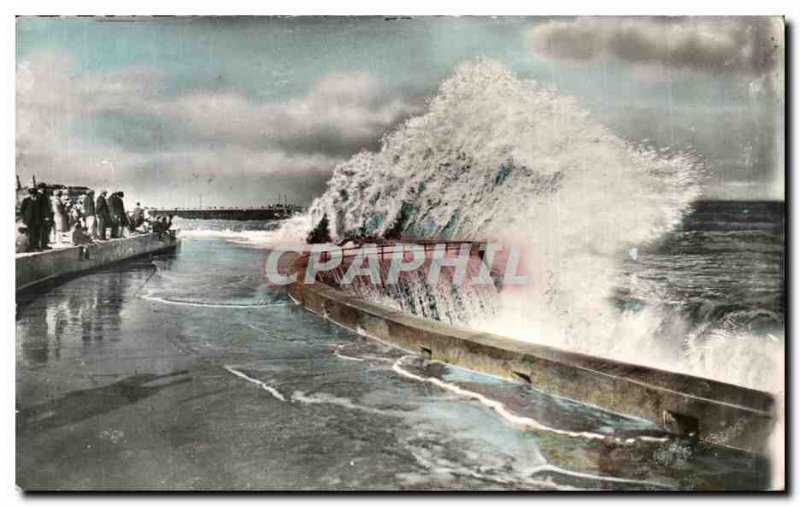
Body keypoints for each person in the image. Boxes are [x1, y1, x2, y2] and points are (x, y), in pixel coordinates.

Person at [37, 183, 54, 250]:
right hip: (44, 216)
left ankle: (40, 244)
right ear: (42, 188)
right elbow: (45, 207)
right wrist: (47, 216)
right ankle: (43, 245)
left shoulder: (36, 195)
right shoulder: (42, 196)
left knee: (40, 231)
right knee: (44, 231)